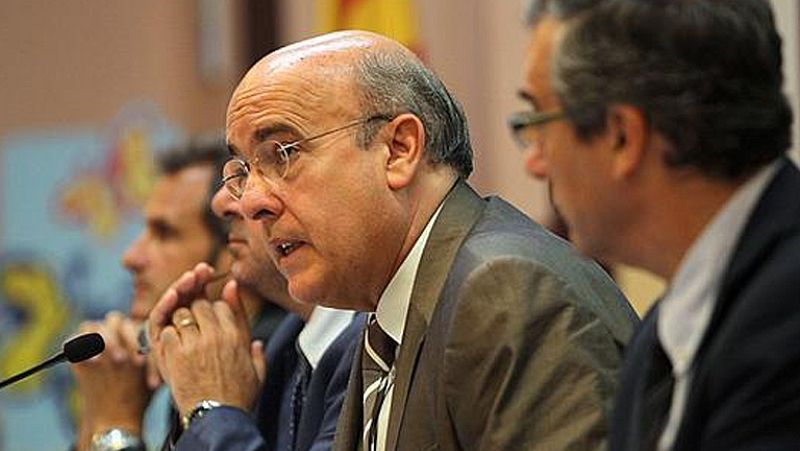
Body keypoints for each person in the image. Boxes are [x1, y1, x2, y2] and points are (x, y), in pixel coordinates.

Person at [147, 30, 637, 450]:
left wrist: (211, 411)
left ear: (399, 150)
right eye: (244, 170)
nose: (251, 201)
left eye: (283, 154)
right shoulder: (388, 313)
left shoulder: (505, 292)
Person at [517, 0, 800, 449]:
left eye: (539, 122)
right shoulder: (660, 334)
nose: (534, 162)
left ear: (622, 136)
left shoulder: (783, 326)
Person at [71, 141, 286, 450]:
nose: (131, 257)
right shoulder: (196, 356)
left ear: (232, 244)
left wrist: (116, 426)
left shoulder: (271, 363)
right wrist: (95, 414)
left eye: (164, 233)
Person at [156, 160, 364, 450]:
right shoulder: (281, 348)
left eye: (275, 161)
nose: (221, 202)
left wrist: (210, 407)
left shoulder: (372, 346)